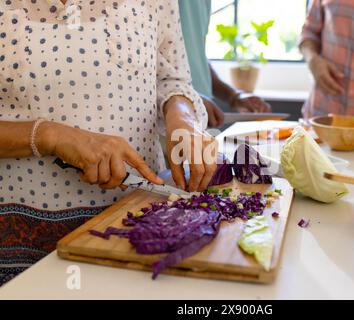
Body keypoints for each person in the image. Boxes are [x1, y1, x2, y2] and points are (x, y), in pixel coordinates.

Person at [0, 0, 217, 285]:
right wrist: (51, 135)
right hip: (18, 250)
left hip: (142, 228)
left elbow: (172, 79)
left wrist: (184, 120)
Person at [178, 0, 272, 128]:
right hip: (168, 120)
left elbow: (197, 56)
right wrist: (188, 98)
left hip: (201, 119)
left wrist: (234, 96)